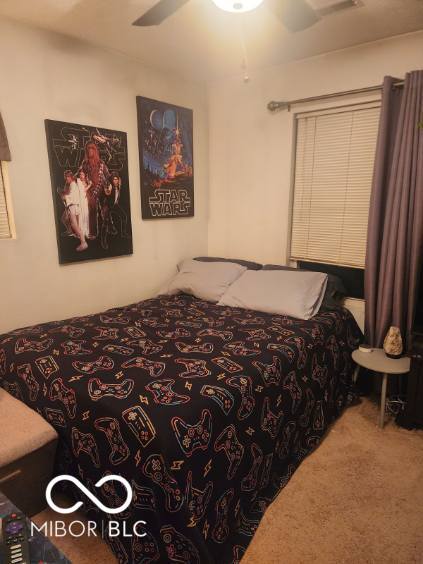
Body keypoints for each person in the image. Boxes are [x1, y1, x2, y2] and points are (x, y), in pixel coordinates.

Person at [80, 142, 109, 239]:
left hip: (101, 189)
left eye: (92, 149)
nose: (90, 151)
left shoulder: (101, 163)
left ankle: (108, 228)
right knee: (92, 210)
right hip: (91, 190)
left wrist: (108, 187)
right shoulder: (85, 163)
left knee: (105, 211)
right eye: (88, 149)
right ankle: (93, 233)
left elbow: (108, 175)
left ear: (95, 151)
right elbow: (80, 174)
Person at [61, 170, 87, 252]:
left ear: (70, 177)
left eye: (67, 177)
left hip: (73, 206)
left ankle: (83, 243)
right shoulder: (72, 184)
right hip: (73, 206)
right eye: (66, 177)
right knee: (65, 219)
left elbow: (73, 197)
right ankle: (72, 231)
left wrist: (65, 197)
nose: (66, 179)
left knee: (75, 225)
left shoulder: (73, 185)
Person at [75, 170, 91, 239]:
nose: (81, 176)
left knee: (86, 215)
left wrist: (89, 184)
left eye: (82, 174)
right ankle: (81, 234)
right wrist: (90, 185)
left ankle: (86, 233)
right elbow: (83, 190)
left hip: (85, 201)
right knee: (81, 216)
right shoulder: (78, 181)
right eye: (80, 174)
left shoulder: (86, 181)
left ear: (85, 175)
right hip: (80, 201)